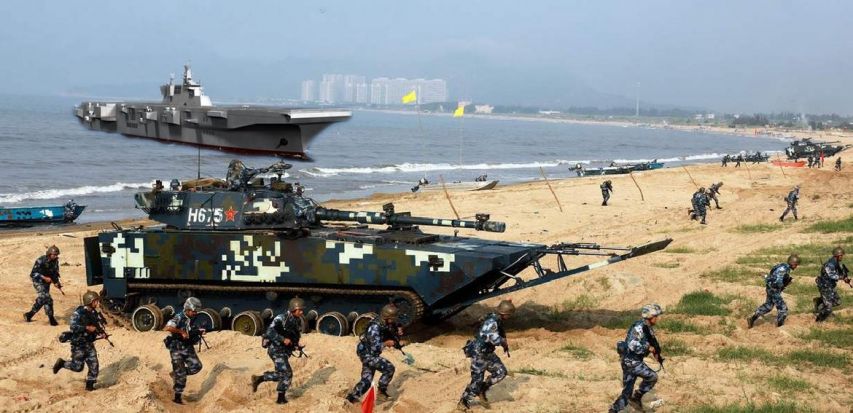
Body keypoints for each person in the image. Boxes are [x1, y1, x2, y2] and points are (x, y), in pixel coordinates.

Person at [458, 300, 515, 410]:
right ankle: (463, 402)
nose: (509, 317)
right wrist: (502, 341)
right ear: (505, 314)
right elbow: (492, 338)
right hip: (479, 354)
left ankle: (483, 389)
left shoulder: (496, 318)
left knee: (501, 372)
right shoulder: (492, 322)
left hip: (488, 353)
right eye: (509, 315)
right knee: (476, 382)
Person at [608, 304, 664, 413]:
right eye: (656, 316)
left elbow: (651, 343)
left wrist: (655, 353)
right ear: (650, 316)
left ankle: (614, 410)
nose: (657, 318)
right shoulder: (639, 328)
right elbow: (632, 345)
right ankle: (637, 397)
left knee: (627, 391)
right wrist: (647, 347)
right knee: (652, 377)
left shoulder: (647, 328)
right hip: (632, 362)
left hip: (631, 361)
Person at [346, 304, 404, 404]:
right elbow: (375, 347)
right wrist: (386, 343)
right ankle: (381, 392)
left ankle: (350, 399)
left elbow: (391, 330)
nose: (394, 320)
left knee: (366, 381)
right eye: (393, 318)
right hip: (367, 354)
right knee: (389, 368)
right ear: (388, 317)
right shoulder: (374, 327)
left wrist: (398, 331)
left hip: (371, 354)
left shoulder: (384, 323)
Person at [252, 297, 306, 404]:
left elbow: (293, 336)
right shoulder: (281, 318)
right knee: (287, 373)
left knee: (281, 374)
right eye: (300, 310)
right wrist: (282, 339)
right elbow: (269, 332)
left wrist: (296, 345)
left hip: (284, 351)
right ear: (293, 309)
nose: (302, 312)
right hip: (275, 349)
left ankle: (259, 379)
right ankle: (280, 399)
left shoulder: (297, 321)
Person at [53, 291, 105, 390]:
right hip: (78, 344)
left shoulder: (93, 313)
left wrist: (101, 333)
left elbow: (96, 325)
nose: (97, 303)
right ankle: (62, 363)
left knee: (94, 365)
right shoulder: (78, 313)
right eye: (95, 301)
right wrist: (86, 328)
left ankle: (89, 386)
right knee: (77, 367)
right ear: (90, 301)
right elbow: (73, 327)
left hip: (89, 343)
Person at [164, 297, 206, 404]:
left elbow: (189, 330)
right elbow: (168, 327)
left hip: (187, 346)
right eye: (193, 311)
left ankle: (176, 374)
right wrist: (181, 332)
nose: (195, 313)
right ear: (187, 309)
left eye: (196, 311)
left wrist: (198, 331)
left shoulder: (192, 318)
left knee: (197, 366)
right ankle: (177, 398)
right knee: (181, 374)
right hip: (176, 348)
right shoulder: (178, 317)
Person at [748, 254, 799, 328]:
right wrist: (784, 284)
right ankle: (780, 327)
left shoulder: (782, 266)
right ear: (792, 263)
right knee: (783, 309)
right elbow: (777, 282)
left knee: (768, 306)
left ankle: (752, 318)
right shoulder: (783, 269)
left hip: (770, 288)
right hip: (774, 290)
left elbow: (772, 275)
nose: (796, 266)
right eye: (796, 265)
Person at [24, 246, 62, 326]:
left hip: (47, 283)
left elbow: (54, 273)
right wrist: (44, 277)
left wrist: (56, 282)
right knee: (47, 298)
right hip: (38, 282)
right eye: (54, 255)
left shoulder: (55, 261)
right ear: (49, 254)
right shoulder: (41, 260)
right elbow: (33, 274)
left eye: (57, 255)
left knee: (43, 298)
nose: (56, 256)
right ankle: (51, 318)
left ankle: (29, 315)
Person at [815, 247, 848, 322]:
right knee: (828, 308)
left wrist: (844, 277)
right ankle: (818, 320)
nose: (842, 257)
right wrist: (842, 277)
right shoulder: (830, 264)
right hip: (825, 286)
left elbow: (838, 272)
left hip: (831, 286)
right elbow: (831, 275)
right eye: (841, 255)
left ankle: (819, 301)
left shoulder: (835, 262)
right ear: (837, 256)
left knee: (837, 301)